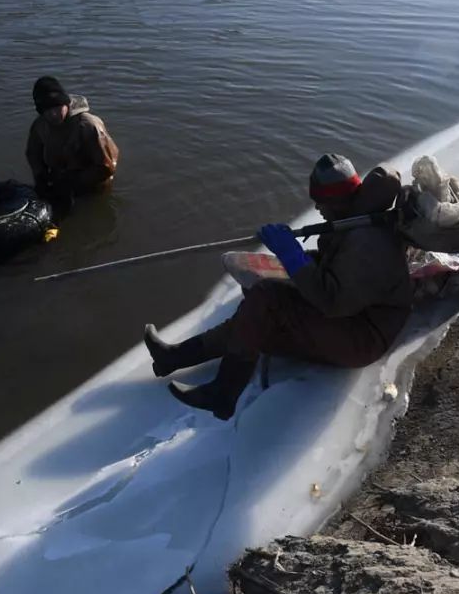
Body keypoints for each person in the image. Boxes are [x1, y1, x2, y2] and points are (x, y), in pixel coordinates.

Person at [144, 153, 414, 420]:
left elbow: (332, 302)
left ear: (337, 200)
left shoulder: (368, 241)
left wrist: (293, 257)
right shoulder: (355, 222)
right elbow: (339, 271)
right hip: (353, 319)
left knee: (267, 299)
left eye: (320, 201)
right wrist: (300, 261)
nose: (317, 208)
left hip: (364, 337)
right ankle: (176, 356)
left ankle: (223, 393)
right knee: (256, 312)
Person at [25, 76, 120, 216]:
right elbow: (33, 153)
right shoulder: (39, 125)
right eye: (47, 110)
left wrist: (72, 182)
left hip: (91, 188)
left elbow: (106, 167)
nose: (53, 114)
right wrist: (40, 177)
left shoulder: (89, 125)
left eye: (57, 107)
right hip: (59, 181)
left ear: (66, 104)